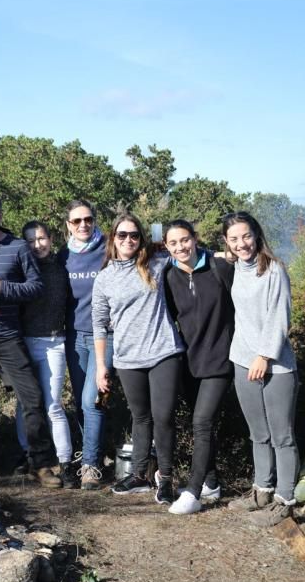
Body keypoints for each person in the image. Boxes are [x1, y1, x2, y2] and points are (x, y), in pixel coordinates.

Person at [0, 192, 62, 486]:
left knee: (31, 398)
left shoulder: (17, 247)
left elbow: (35, 287)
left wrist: (4, 287)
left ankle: (41, 463)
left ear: (0, 215)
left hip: (8, 337)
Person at [93, 213, 185, 504]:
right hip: (127, 358)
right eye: (122, 235)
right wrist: (100, 367)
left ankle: (166, 478)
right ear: (113, 239)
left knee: (163, 417)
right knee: (140, 417)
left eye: (134, 235)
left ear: (141, 238)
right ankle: (139, 474)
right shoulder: (104, 278)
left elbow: (185, 254)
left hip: (163, 351)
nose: (128, 240)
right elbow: (99, 323)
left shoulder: (155, 263)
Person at [222, 211, 298, 526]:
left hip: (276, 366)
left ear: (257, 235)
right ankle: (262, 490)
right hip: (242, 361)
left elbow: (280, 317)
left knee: (282, 435)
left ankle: (285, 499)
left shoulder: (274, 270)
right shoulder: (233, 268)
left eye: (246, 236)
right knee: (258, 433)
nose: (242, 244)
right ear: (226, 242)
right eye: (234, 239)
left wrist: (265, 356)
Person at [161, 219, 235, 515]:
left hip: (222, 359)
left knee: (202, 422)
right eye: (173, 243)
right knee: (200, 421)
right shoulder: (169, 276)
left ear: (195, 238)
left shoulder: (219, 268)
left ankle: (193, 491)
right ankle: (213, 482)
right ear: (166, 247)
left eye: (185, 240)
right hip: (190, 362)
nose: (181, 247)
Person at [56, 199, 112, 490]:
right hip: (75, 335)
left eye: (87, 219)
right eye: (76, 221)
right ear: (68, 225)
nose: (83, 225)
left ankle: (91, 466)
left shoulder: (108, 249)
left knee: (93, 399)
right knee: (81, 402)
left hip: (106, 334)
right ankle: (91, 454)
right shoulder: (63, 255)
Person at [17, 221, 76, 487]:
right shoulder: (20, 269)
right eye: (31, 240)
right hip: (26, 342)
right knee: (25, 404)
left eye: (41, 238)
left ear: (51, 239)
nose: (37, 244)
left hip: (55, 342)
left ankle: (64, 461)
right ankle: (28, 455)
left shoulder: (61, 268)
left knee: (53, 404)